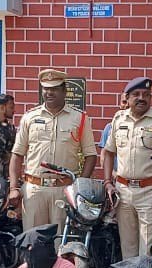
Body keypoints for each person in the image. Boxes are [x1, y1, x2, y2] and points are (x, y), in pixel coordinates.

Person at [8, 69, 97, 229]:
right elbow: (17, 155)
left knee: (59, 239)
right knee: (33, 239)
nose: (49, 92)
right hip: (34, 190)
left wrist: (79, 187)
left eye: (54, 88)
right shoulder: (30, 117)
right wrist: (14, 188)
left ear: (64, 91)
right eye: (46, 88)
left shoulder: (80, 118)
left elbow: (90, 155)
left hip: (63, 190)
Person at [103, 77, 152, 258]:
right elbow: (108, 153)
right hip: (123, 192)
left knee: (147, 251)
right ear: (127, 98)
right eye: (136, 94)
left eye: (146, 94)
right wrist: (107, 182)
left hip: (150, 192)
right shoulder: (118, 119)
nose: (141, 98)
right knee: (127, 250)